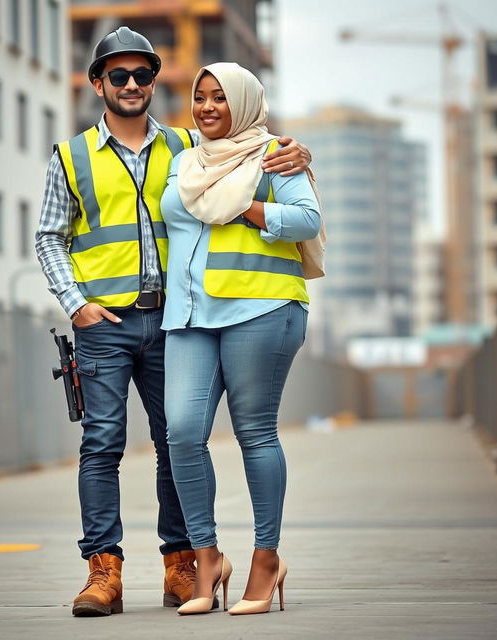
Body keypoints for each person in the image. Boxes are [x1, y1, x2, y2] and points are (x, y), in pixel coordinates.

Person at [35, 27, 311, 618]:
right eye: (119, 75)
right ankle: (102, 573)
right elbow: (48, 237)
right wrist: (74, 302)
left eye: (142, 75)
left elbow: (247, 150)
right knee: (102, 443)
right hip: (103, 322)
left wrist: (297, 155)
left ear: (156, 82)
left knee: (174, 441)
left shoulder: (189, 147)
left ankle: (182, 565)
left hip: (174, 320)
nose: (132, 85)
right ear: (97, 83)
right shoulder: (71, 156)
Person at [161, 63, 321, 616]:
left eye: (220, 99)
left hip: (262, 307)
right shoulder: (184, 162)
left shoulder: (275, 152)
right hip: (188, 317)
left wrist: (246, 208)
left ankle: (266, 558)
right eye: (200, 97)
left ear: (246, 103)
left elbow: (306, 220)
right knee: (181, 433)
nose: (207, 107)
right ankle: (208, 559)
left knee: (254, 433)